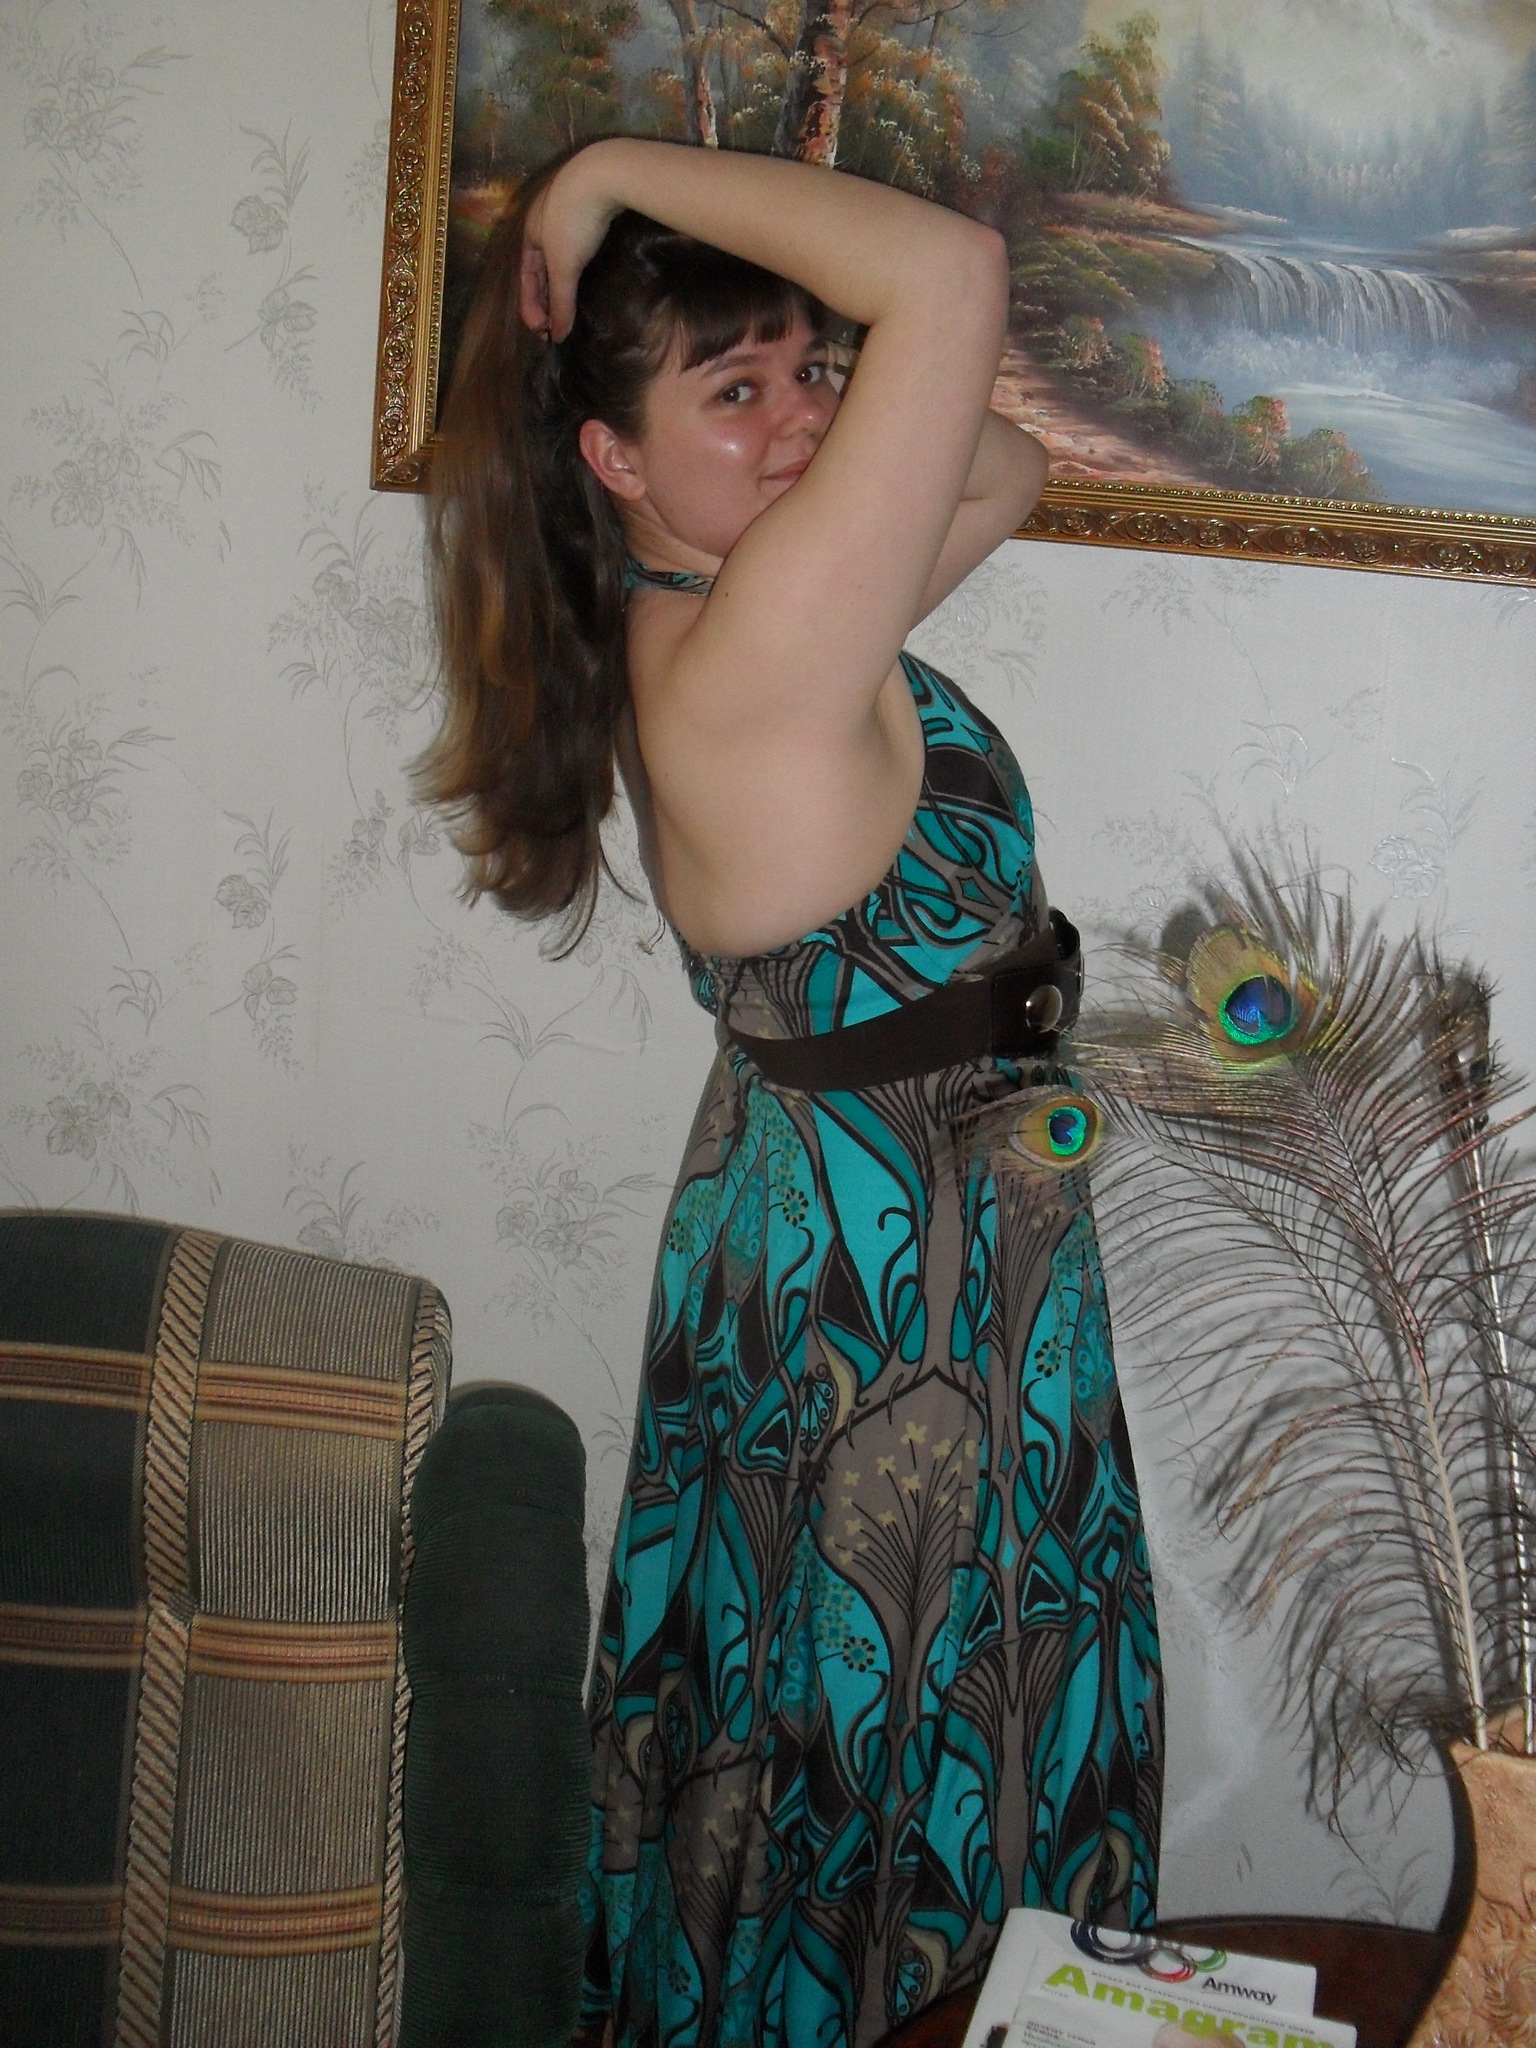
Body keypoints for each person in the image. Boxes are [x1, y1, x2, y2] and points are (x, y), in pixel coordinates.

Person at [424, 138, 1162, 2048]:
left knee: (848, 1740)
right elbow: (955, 277)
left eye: (814, 374)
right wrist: (600, 175)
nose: (803, 421)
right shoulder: (750, 658)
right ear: (614, 458)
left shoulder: (758, 614)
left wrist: (808, 401)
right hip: (887, 1308)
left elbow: (1004, 464)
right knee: (899, 1755)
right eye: (732, 392)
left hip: (906, 1254)